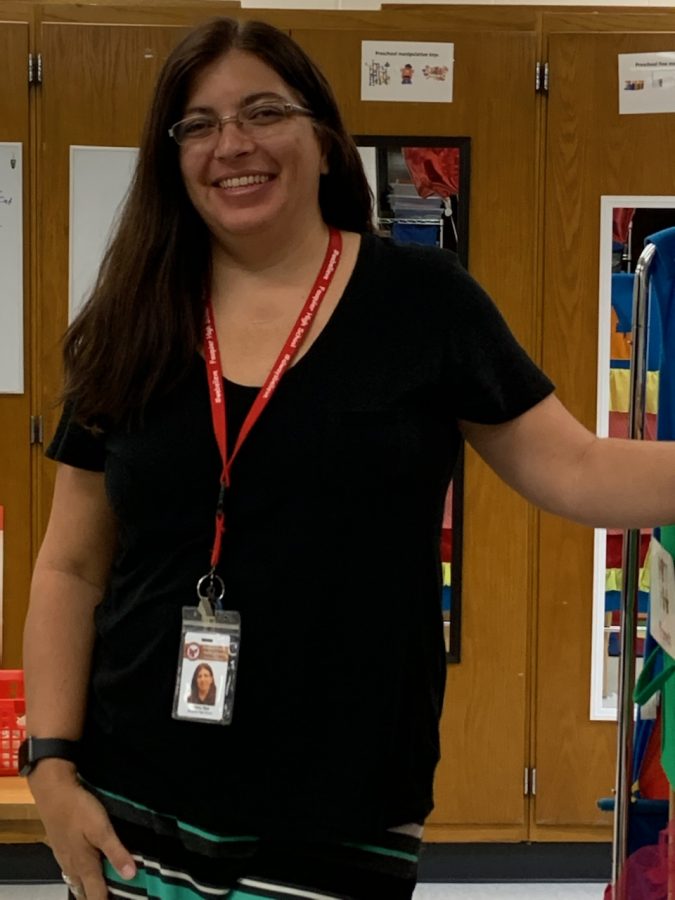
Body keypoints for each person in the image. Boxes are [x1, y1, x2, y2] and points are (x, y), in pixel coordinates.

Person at [21, 15, 675, 900]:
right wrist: (51, 766)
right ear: (171, 157)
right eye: (200, 124)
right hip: (132, 794)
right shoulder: (132, 317)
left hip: (341, 806)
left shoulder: (421, 305)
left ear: (324, 141)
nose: (232, 144)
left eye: (263, 112)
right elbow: (70, 565)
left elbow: (579, 469)